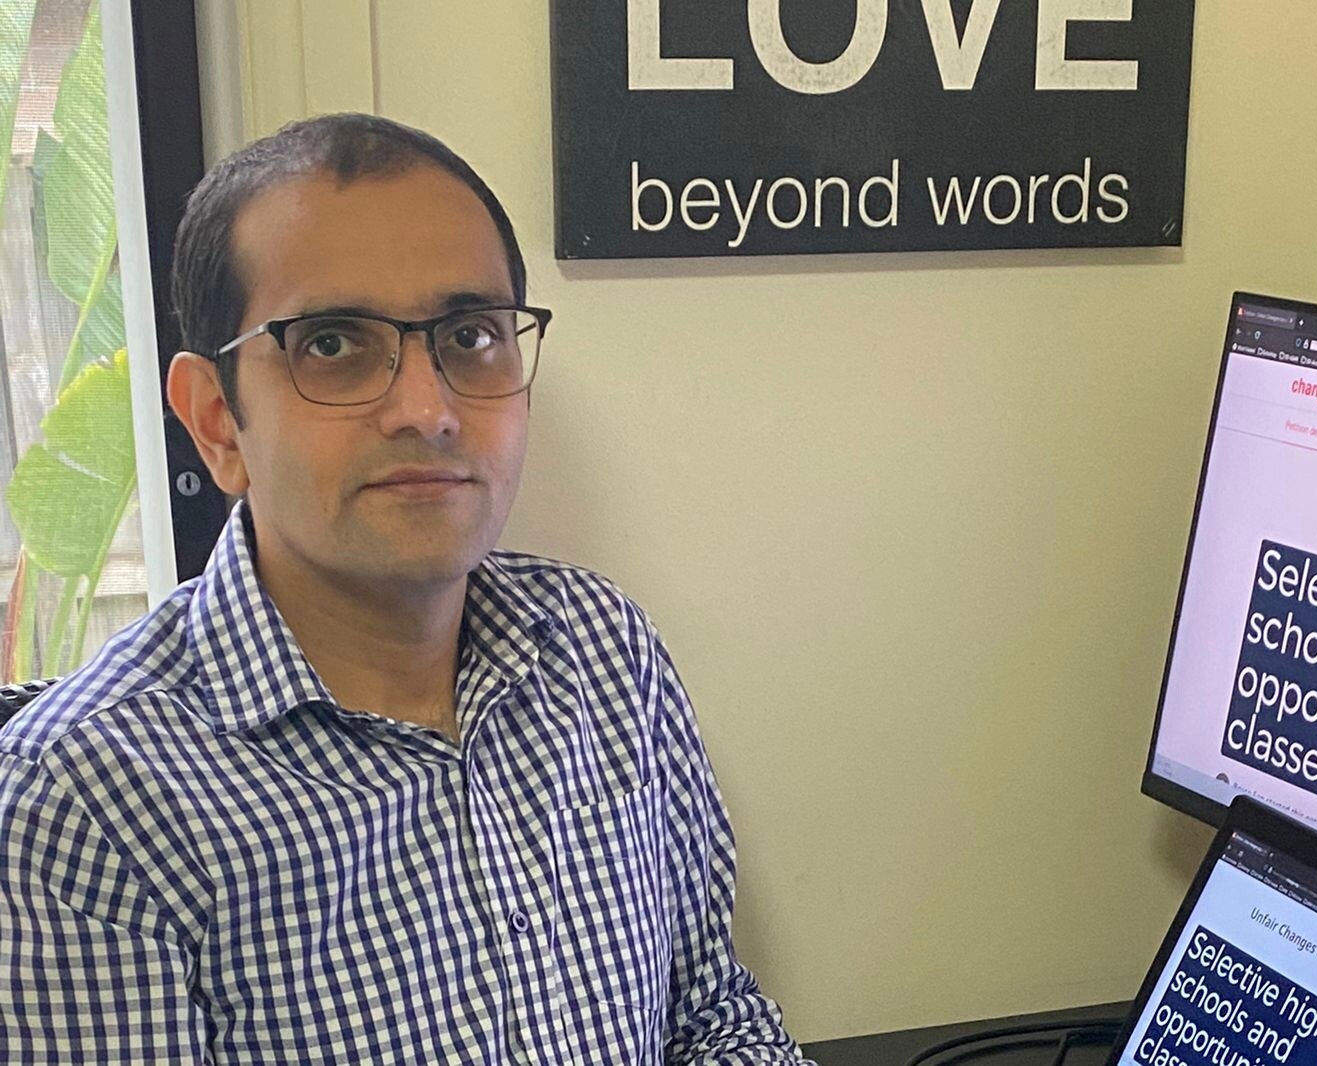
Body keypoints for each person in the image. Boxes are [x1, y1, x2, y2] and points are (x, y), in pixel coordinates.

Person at [0, 113, 811, 1064]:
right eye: (334, 344)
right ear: (217, 421)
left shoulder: (603, 650)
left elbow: (712, 1016)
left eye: (468, 335)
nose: (427, 411)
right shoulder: (79, 810)